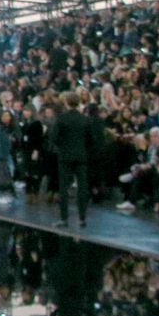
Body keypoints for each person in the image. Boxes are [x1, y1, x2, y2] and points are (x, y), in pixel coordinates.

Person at [51, 91, 93, 229]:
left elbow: (54, 137)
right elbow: (91, 140)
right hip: (81, 155)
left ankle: (64, 219)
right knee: (82, 186)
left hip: (65, 156)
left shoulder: (61, 118)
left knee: (63, 187)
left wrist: (63, 146)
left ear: (66, 103)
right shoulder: (85, 119)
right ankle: (82, 218)